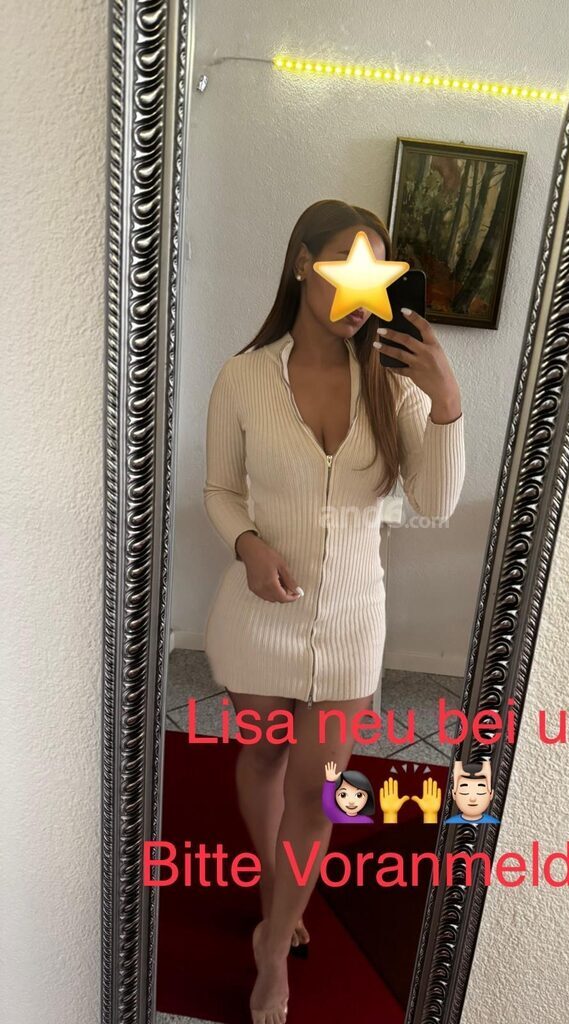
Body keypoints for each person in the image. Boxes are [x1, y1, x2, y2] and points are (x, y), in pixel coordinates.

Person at [202, 198, 465, 1024]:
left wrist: (446, 400)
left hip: (351, 620)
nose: (362, 287)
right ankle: (280, 895)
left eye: (376, 270)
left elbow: (435, 502)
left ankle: (271, 950)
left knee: (317, 791)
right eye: (348, 263)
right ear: (301, 263)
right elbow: (220, 490)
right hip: (258, 618)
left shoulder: (393, 383)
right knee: (264, 759)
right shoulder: (244, 377)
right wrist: (247, 545)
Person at [444, 759, 501, 825]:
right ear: (454, 794)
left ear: (491, 794)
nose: (472, 799)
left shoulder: (495, 824)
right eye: (465, 793)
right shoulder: (448, 824)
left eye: (480, 793)